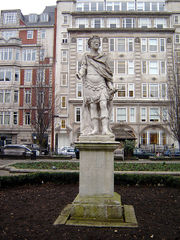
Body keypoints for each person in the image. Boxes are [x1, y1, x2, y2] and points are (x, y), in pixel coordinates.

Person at [77, 36, 116, 136]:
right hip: (89, 85)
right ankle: (95, 129)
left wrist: (111, 86)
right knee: (93, 107)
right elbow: (83, 67)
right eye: (94, 42)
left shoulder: (104, 57)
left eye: (98, 42)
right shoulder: (86, 56)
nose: (97, 43)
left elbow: (107, 74)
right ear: (90, 44)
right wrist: (80, 74)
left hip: (101, 84)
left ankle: (105, 129)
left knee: (103, 105)